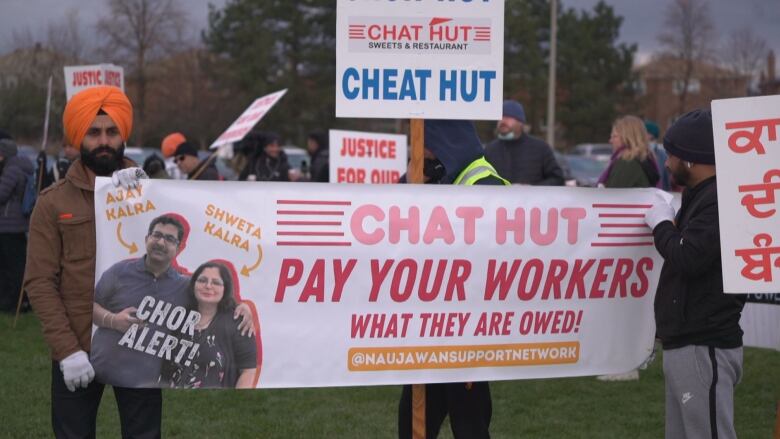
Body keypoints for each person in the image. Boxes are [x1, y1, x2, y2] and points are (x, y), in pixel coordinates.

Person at [22, 86, 160, 438]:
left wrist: (150, 198)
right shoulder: (52, 203)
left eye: (112, 132)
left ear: (124, 134)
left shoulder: (151, 194)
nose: (104, 141)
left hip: (137, 345)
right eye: (94, 132)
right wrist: (66, 351)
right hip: (78, 348)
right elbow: (39, 281)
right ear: (77, 137)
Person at [398, 119, 508, 439]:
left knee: (469, 424)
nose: (418, 149)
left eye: (423, 141)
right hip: (431, 330)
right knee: (413, 424)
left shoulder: (483, 182)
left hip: (466, 332)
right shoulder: (438, 173)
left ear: (444, 140)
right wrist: (411, 180)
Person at [643, 109, 746, 439]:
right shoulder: (701, 195)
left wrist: (661, 224)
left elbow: (688, 255)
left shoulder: (721, 200)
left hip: (705, 343)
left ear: (691, 160)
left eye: (672, 154)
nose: (668, 161)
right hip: (686, 341)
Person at [90, 215, 256, 388]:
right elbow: (91, 307)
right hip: (98, 375)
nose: (161, 243)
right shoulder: (119, 272)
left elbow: (213, 293)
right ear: (147, 238)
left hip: (145, 386)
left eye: (169, 239)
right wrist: (112, 320)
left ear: (178, 248)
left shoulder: (185, 285)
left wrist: (243, 307)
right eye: (157, 235)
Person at [160, 261, 258, 389]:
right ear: (193, 284)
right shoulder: (180, 317)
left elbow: (248, 371)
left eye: (216, 282)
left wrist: (237, 403)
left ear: (225, 288)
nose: (208, 286)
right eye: (202, 280)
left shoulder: (238, 322)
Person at [484, 100, 564, 186]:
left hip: (532, 199)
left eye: (508, 117)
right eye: (500, 117)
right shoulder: (490, 149)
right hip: (499, 199)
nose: (503, 121)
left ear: (520, 122)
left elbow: (557, 179)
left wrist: (532, 189)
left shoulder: (540, 148)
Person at [0, 135, 33, 312]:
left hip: (9, 225)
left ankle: (15, 302)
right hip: (15, 224)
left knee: (12, 266)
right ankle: (17, 300)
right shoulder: (21, 167)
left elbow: (2, 194)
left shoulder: (12, 170)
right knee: (15, 265)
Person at [597, 115, 660, 190]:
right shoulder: (643, 159)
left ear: (628, 138)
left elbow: (611, 197)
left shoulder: (627, 162)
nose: (610, 141)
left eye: (614, 136)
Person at [644, 120, 672, 191]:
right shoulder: (637, 156)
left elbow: (667, 181)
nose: (649, 142)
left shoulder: (662, 155)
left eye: (652, 139)